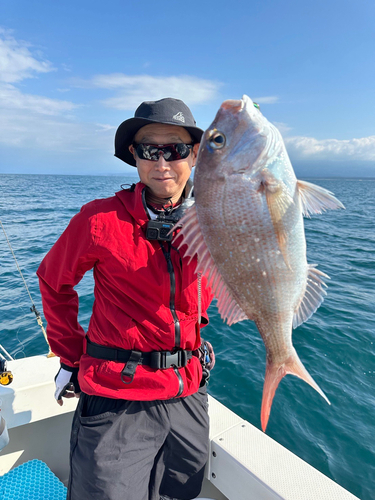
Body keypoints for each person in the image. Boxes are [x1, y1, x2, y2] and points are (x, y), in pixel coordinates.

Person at [37, 97, 215, 500]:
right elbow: (54, 282)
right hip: (117, 398)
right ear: (135, 155)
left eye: (176, 149)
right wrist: (69, 355)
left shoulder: (213, 218)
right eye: (151, 150)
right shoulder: (98, 219)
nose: (163, 162)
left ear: (195, 153)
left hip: (188, 394)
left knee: (181, 492)